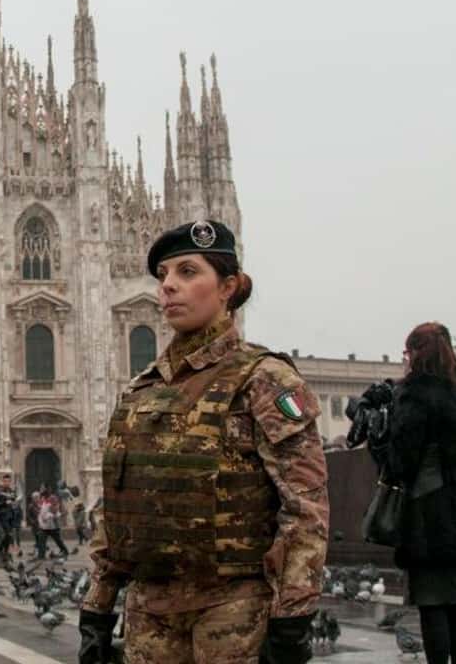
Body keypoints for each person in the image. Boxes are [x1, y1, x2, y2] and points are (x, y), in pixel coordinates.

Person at [80, 220, 329, 664]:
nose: (169, 287)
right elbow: (116, 509)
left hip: (233, 610)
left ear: (227, 287)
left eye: (188, 272)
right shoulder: (142, 390)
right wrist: (97, 607)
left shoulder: (264, 378)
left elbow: (305, 508)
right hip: (149, 613)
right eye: (163, 276)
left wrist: (292, 616)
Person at [365, 322, 456, 664]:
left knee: (432, 602)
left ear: (417, 352)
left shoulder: (417, 392)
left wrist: (378, 436)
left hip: (427, 510)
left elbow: (401, 461)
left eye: (408, 351)